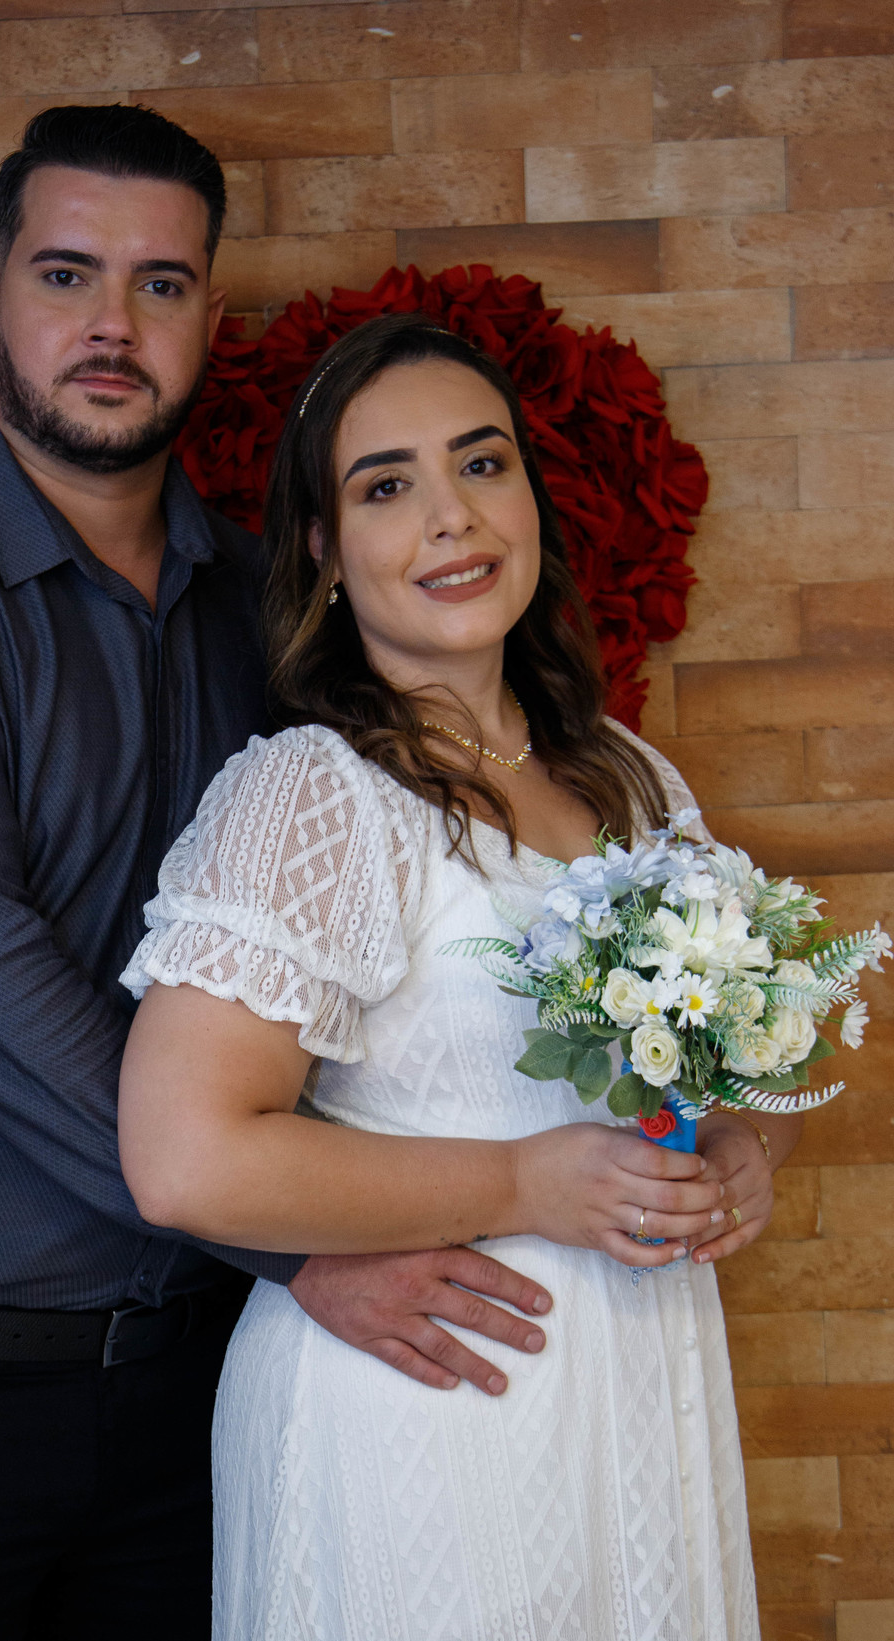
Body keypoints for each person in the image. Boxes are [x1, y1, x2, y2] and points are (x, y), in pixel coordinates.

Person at [0, 110, 555, 1641]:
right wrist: (301, 1239)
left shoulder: (265, 604)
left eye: (159, 284)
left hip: (191, 1374)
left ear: (208, 318)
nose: (112, 323)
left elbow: (382, 905)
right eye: (67, 274)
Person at [119, 313, 802, 1639]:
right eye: (387, 486)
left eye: (482, 464)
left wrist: (740, 1153)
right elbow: (183, 1158)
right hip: (425, 1412)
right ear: (321, 550)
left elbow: (747, 1064)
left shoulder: (631, 776)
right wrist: (523, 1182)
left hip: (636, 1391)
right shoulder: (315, 794)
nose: (452, 516)